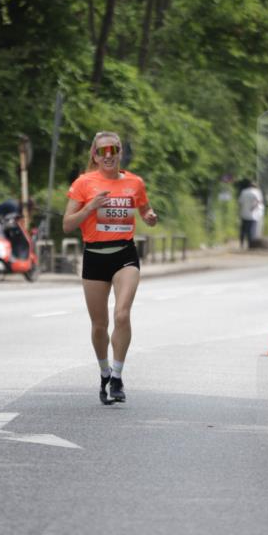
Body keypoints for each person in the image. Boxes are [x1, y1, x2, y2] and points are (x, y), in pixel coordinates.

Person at [63, 131, 157, 405]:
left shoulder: (134, 182)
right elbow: (68, 225)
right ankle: (104, 372)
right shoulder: (83, 183)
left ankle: (117, 376)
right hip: (94, 256)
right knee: (99, 325)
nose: (108, 156)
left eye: (113, 150)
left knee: (122, 314)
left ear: (120, 153)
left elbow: (145, 211)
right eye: (102, 151)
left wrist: (150, 217)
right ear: (94, 155)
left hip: (125, 255)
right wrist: (90, 207)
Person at [238, 178, 264, 249]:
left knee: (243, 230)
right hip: (253, 215)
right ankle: (250, 245)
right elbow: (259, 201)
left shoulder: (243, 192)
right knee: (251, 231)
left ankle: (241, 244)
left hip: (244, 214)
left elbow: (240, 203)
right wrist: (253, 207)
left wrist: (241, 210)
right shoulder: (257, 192)